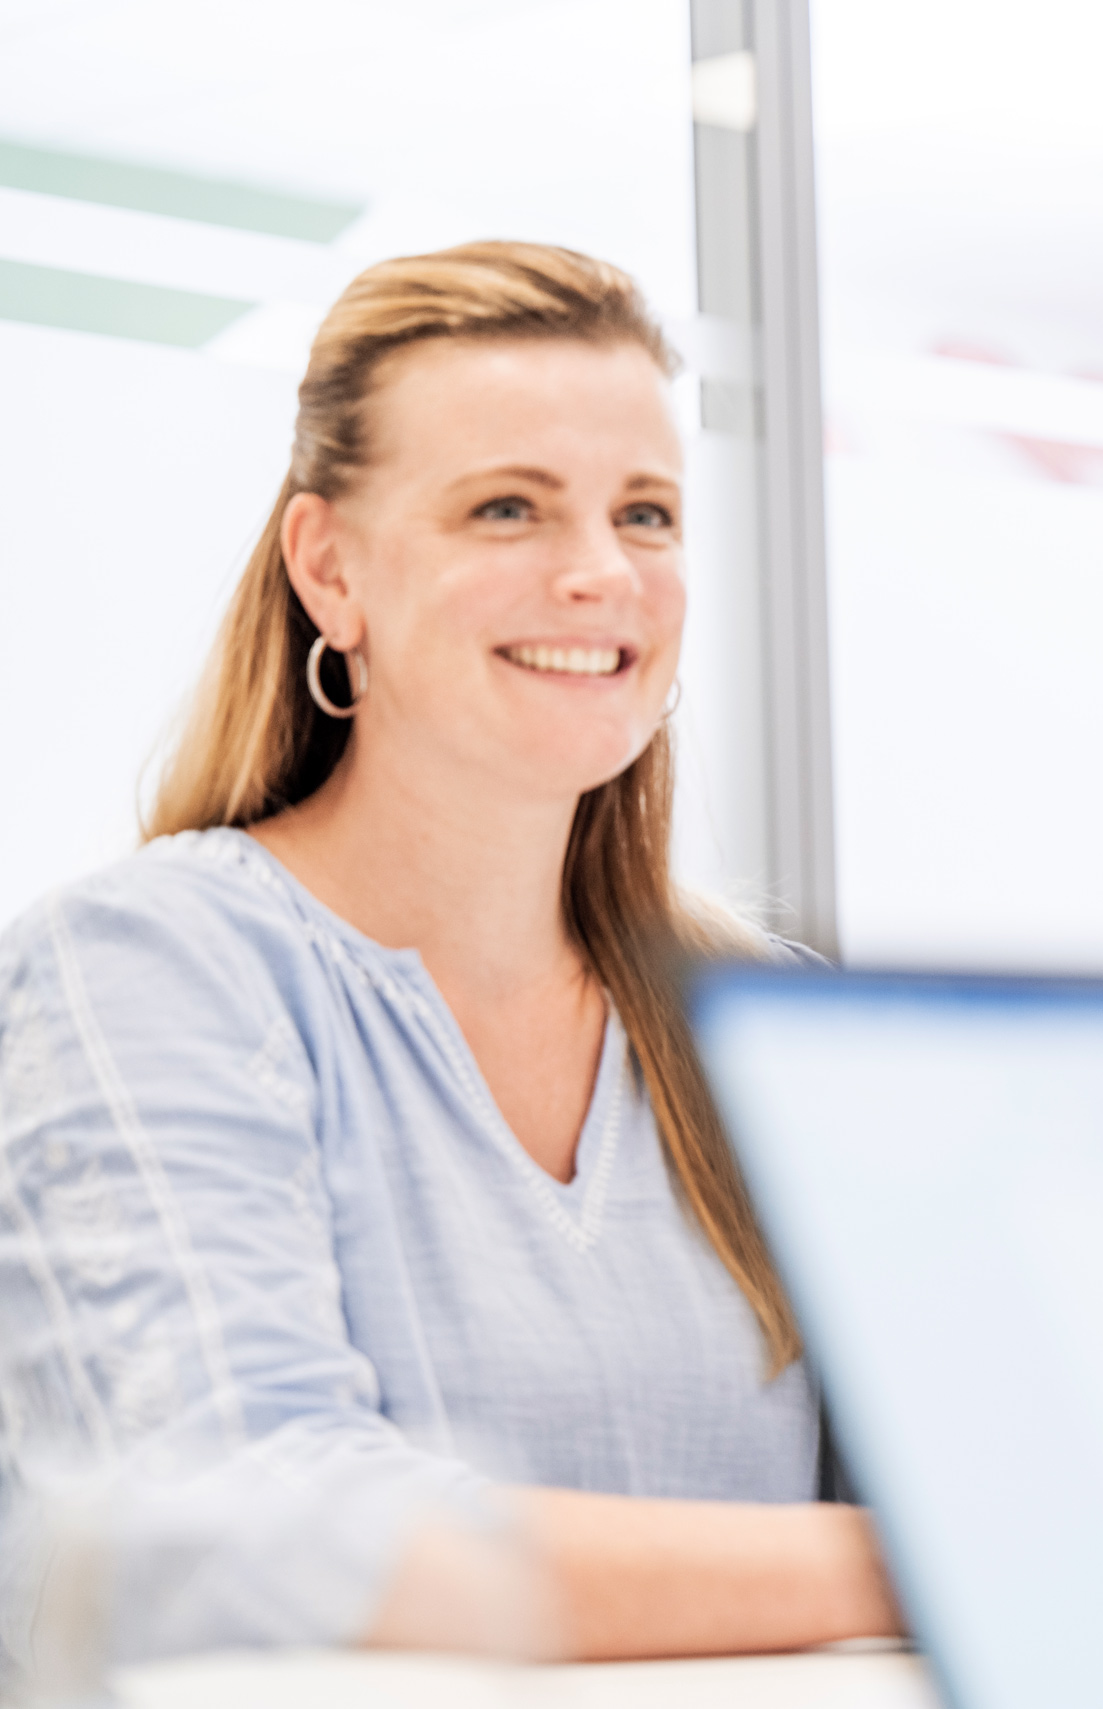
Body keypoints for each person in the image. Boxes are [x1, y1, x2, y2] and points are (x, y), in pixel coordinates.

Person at [0, 243, 899, 1666]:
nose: (600, 573)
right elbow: (270, 1534)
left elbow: (963, 1451)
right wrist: (921, 1560)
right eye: (506, 507)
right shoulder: (146, 968)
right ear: (329, 568)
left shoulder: (761, 1022)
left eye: (646, 513)